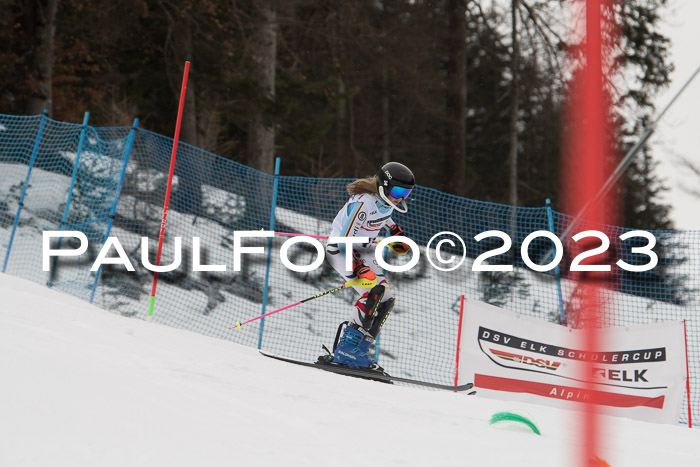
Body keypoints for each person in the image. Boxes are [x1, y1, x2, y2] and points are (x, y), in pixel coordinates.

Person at [317, 162, 415, 371]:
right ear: (385, 185)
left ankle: (359, 351)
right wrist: (357, 266)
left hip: (363, 251)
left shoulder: (386, 202)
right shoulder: (363, 203)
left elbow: (384, 217)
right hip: (341, 250)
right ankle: (346, 351)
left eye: (406, 193)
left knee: (386, 299)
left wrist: (395, 232)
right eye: (398, 191)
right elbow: (345, 239)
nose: (401, 197)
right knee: (372, 292)